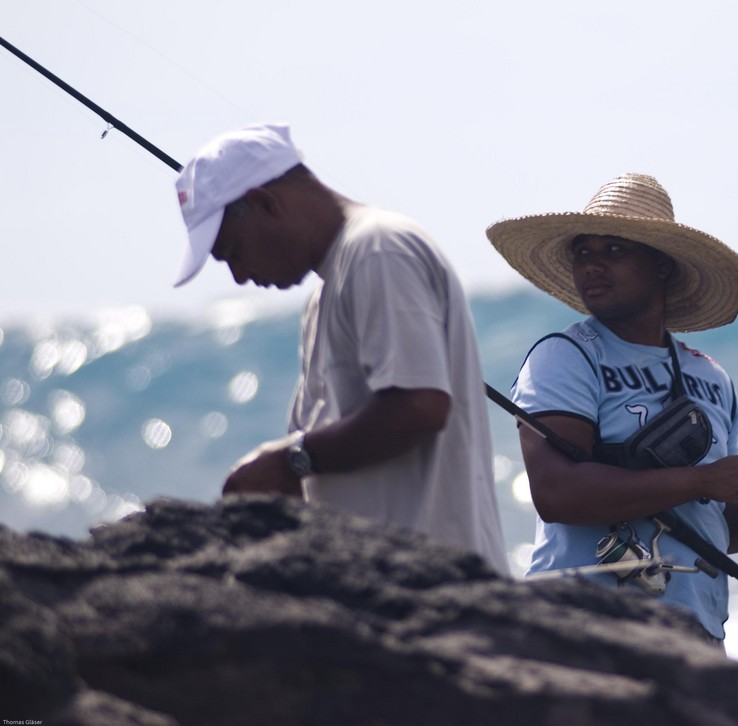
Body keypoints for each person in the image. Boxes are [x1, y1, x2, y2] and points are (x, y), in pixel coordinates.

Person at [485, 172, 738, 642]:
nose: (592, 264)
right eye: (582, 251)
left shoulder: (711, 378)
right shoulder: (566, 356)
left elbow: (711, 531)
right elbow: (557, 493)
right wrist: (702, 480)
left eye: (614, 250)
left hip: (693, 631)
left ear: (662, 266)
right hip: (582, 624)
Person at [173, 123, 508, 573]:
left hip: (435, 581)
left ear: (264, 203)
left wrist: (291, 460)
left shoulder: (378, 249)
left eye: (231, 251)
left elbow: (419, 406)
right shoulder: (326, 292)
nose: (238, 275)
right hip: (387, 585)